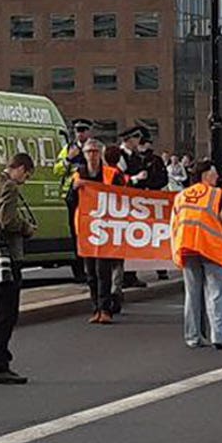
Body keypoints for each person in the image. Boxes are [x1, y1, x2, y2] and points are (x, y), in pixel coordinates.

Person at [0, 153, 39, 383]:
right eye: (27, 174)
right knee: (6, 313)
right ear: (20, 168)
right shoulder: (9, 188)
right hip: (6, 258)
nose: (25, 180)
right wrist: (27, 229)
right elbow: (8, 220)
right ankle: (0, 366)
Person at [174, 159, 222, 349]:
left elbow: (174, 226)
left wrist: (175, 252)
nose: (218, 176)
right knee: (216, 293)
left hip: (186, 248)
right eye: (214, 173)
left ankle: (193, 337)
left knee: (192, 294)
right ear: (206, 175)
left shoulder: (181, 196)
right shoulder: (217, 195)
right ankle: (218, 336)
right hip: (211, 249)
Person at [75, 138, 127, 324]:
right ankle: (95, 308)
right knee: (90, 272)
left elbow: (125, 197)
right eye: (89, 152)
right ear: (84, 154)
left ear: (101, 154)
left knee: (102, 269)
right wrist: (74, 189)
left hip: (105, 228)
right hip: (87, 229)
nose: (92, 155)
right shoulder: (78, 174)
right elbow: (69, 199)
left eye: (96, 152)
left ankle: (106, 308)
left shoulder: (111, 174)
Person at [116, 127, 167, 289]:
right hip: (124, 203)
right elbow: (116, 177)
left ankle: (131, 274)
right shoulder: (120, 156)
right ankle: (123, 276)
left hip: (137, 202)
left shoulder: (136, 156)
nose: (139, 142)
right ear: (129, 140)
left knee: (134, 238)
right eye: (136, 138)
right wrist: (136, 179)